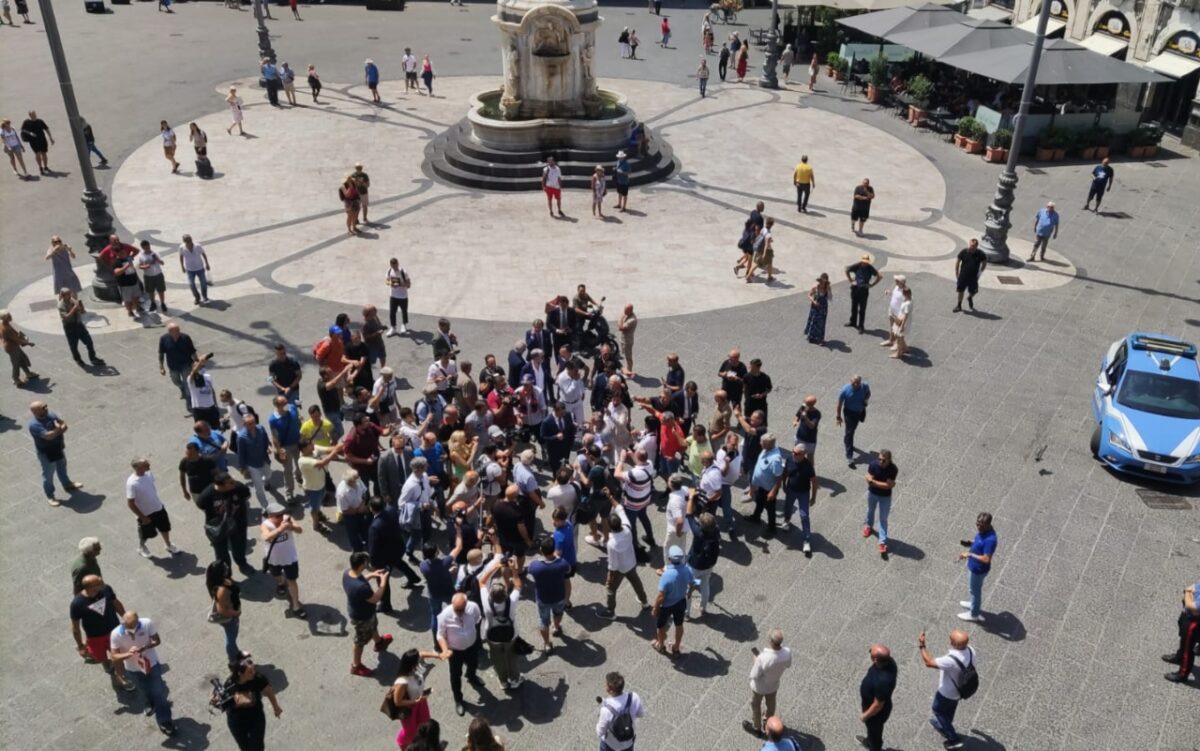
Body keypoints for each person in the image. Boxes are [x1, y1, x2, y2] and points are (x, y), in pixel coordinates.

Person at [110, 611, 176, 736]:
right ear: (123, 624)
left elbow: (157, 641)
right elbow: (114, 656)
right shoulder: (116, 634)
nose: (134, 631)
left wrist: (145, 647)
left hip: (152, 664)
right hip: (133, 668)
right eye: (130, 628)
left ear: (138, 620)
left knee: (159, 694)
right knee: (143, 688)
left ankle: (165, 721)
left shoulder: (146, 623)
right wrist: (128, 654)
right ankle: (148, 702)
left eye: (135, 625)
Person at [70, 575, 131, 691]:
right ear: (90, 587)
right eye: (99, 583)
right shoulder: (77, 604)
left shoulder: (106, 589)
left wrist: (126, 619)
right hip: (95, 638)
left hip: (114, 632)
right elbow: (75, 627)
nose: (102, 584)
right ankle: (108, 666)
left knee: (118, 657)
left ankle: (120, 678)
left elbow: (116, 603)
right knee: (100, 658)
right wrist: (80, 646)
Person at [918, 629, 975, 750]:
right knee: (949, 708)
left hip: (946, 692)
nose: (949, 640)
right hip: (960, 690)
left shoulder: (951, 660)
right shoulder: (970, 650)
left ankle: (953, 738)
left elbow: (929, 662)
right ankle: (944, 724)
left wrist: (922, 646)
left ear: (954, 643)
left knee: (937, 710)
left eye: (951, 639)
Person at [599, 491, 650, 618]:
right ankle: (644, 602)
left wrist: (610, 578)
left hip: (620, 569)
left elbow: (613, 565)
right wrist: (610, 497)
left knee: (611, 589)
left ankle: (610, 611)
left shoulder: (611, 544)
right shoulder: (627, 528)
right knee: (636, 582)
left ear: (610, 527)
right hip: (631, 563)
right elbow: (620, 508)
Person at [344, 551, 394, 677]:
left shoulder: (348, 573)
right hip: (361, 616)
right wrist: (383, 581)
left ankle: (379, 642)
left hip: (365, 612)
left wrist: (372, 574)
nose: (368, 564)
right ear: (361, 565)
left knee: (373, 625)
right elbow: (376, 598)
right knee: (360, 640)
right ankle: (356, 666)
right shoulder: (362, 588)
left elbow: (360, 578)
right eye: (366, 562)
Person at [219, 654, 283, 751]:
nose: (253, 672)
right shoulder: (229, 685)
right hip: (237, 722)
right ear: (240, 673)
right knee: (245, 748)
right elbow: (223, 705)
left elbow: (269, 692)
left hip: (256, 718)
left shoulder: (258, 679)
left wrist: (276, 708)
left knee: (258, 747)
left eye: (253, 669)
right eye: (250, 672)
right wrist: (217, 701)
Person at [195, 472, 255, 576]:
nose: (234, 483)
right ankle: (226, 574)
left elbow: (246, 495)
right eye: (230, 483)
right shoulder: (207, 495)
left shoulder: (238, 488)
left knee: (239, 547)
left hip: (238, 523)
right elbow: (201, 505)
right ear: (221, 485)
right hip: (218, 528)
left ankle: (242, 564)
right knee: (221, 553)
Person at [436, 592, 485, 717]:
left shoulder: (473, 607)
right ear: (452, 605)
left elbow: (478, 620)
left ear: (466, 604)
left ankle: (471, 676)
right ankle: (458, 699)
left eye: (462, 609)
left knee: (474, 663)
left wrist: (473, 637)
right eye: (457, 610)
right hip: (455, 651)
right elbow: (440, 635)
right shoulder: (444, 616)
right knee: (455, 675)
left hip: (471, 646)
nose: (460, 613)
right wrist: (445, 649)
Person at [479, 559, 524, 690]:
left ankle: (503, 682)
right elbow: (518, 584)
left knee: (498, 659)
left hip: (492, 635)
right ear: (505, 594)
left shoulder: (487, 603)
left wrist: (495, 567)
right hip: (511, 634)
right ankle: (515, 680)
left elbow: (481, 581)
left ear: (491, 595)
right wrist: (513, 570)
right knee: (512, 657)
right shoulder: (512, 600)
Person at [28, 401, 81, 506]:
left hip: (57, 447)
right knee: (48, 474)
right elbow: (49, 436)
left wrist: (58, 429)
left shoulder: (51, 415)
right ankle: (50, 495)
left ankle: (67, 484)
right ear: (35, 411)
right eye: (43, 408)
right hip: (46, 452)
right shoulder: (34, 425)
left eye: (46, 406)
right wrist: (58, 429)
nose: (46, 408)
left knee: (62, 466)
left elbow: (64, 424)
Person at [743, 629, 793, 739]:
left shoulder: (763, 658)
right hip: (773, 685)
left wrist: (756, 661)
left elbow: (754, 675)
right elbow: (788, 665)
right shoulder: (787, 653)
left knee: (756, 705)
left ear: (770, 641)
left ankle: (757, 728)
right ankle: (768, 722)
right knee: (771, 704)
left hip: (759, 687)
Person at [127, 458, 180, 559]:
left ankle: (168, 544)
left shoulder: (149, 473)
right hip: (145, 513)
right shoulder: (132, 483)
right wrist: (142, 517)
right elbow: (130, 503)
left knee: (165, 527)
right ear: (137, 468)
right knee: (145, 534)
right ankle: (141, 547)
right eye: (146, 464)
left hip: (158, 507)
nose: (149, 465)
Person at [261, 502, 306, 618]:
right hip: (274, 559)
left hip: (289, 558)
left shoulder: (287, 519)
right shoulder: (265, 524)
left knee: (292, 581)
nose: (281, 517)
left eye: (281, 514)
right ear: (270, 515)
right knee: (276, 575)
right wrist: (281, 529)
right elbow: (266, 537)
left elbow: (300, 530)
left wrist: (291, 527)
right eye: (277, 516)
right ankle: (281, 582)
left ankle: (296, 606)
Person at [391, 648, 441, 748]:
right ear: (411, 665)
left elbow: (422, 654)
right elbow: (397, 701)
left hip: (420, 701)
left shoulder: (414, 669)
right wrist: (414, 701)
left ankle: (424, 744)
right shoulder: (402, 682)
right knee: (410, 732)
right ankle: (403, 744)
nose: (420, 663)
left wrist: (438, 656)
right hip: (409, 708)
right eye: (417, 662)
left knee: (425, 723)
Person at [652, 545, 693, 656]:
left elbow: (661, 596)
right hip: (680, 602)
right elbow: (692, 582)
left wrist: (655, 608)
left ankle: (660, 645)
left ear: (669, 559)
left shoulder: (667, 575)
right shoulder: (686, 570)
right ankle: (676, 648)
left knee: (660, 627)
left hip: (666, 606)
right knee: (679, 625)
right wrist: (689, 593)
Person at [857, 644, 898, 751]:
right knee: (871, 731)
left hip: (876, 714)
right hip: (872, 704)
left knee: (875, 733)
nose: (869, 650)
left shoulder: (883, 681)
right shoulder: (889, 662)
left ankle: (874, 747)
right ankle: (869, 740)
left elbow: (878, 705)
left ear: (875, 660)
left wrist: (865, 715)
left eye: (871, 651)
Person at [959, 512, 997, 622]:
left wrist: (970, 554)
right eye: (977, 524)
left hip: (978, 570)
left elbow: (986, 559)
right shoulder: (984, 531)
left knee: (975, 592)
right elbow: (980, 541)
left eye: (982, 525)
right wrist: (971, 543)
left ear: (988, 524)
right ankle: (972, 604)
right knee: (973, 590)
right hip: (974, 566)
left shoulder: (991, 540)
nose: (979, 527)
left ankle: (974, 614)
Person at [781, 444, 818, 554]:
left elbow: (814, 482)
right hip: (791, 490)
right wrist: (784, 484)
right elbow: (785, 473)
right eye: (793, 451)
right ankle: (787, 520)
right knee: (788, 508)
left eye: (796, 453)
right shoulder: (789, 459)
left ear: (803, 455)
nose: (793, 454)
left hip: (803, 493)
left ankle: (806, 540)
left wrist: (813, 498)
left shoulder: (808, 466)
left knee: (804, 515)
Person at [863, 449, 898, 557]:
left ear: (889, 460)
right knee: (870, 511)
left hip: (885, 497)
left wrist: (873, 482)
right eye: (879, 459)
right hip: (872, 494)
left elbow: (888, 486)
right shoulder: (873, 464)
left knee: (883, 519)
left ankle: (882, 542)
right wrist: (872, 481)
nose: (880, 462)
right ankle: (869, 526)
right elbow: (867, 476)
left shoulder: (893, 469)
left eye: (883, 460)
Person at [596, 671, 644, 751]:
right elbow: (641, 714)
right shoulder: (634, 697)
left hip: (611, 745)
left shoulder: (606, 710)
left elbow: (600, 732)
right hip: (628, 742)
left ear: (610, 690)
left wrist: (599, 719)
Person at [206, 560, 243, 663]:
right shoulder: (222, 591)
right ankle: (233, 659)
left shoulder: (222, 581)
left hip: (232, 613)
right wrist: (236, 613)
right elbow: (223, 611)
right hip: (229, 619)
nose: (228, 568)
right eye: (225, 568)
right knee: (231, 638)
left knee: (231, 636)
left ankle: (235, 652)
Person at [1164, 581, 1199, 684]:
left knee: (1187, 648)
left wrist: (1187, 592)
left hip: (1194, 622)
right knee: (1184, 640)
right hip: (1190, 616)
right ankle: (1180, 656)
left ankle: (1182, 675)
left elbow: (1191, 606)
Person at [57, 288, 101, 366]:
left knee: (89, 342)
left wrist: (80, 308)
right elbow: (67, 316)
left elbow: (79, 310)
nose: (70, 295)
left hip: (79, 324)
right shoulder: (61, 305)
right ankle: (77, 359)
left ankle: (93, 357)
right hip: (70, 327)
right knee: (73, 345)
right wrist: (74, 308)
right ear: (63, 296)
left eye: (70, 293)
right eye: (68, 294)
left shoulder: (72, 300)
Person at [836, 375, 871, 468]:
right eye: (853, 383)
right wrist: (838, 416)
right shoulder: (844, 390)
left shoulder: (864, 386)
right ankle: (849, 457)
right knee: (850, 433)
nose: (855, 384)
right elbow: (839, 404)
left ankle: (847, 440)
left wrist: (866, 400)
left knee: (852, 430)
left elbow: (868, 393)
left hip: (859, 411)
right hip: (849, 413)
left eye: (857, 383)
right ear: (850, 381)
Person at [2, 309, 36, 386]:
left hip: (13, 346)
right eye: (8, 316)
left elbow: (14, 335)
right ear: (5, 318)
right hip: (12, 348)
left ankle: (28, 373)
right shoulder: (6, 328)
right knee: (16, 363)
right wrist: (28, 343)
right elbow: (16, 340)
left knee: (22, 358)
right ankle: (16, 378)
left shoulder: (5, 323)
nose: (10, 317)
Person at [954, 239, 987, 313]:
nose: (971, 247)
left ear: (976, 246)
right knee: (960, 291)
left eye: (973, 246)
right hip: (963, 276)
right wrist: (957, 273)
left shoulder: (980, 254)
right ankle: (959, 305)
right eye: (970, 245)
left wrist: (980, 272)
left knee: (974, 291)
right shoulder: (964, 252)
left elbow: (985, 262)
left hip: (973, 277)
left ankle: (969, 297)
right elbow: (958, 262)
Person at [177, 234, 211, 306]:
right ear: (184, 241)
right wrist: (182, 267)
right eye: (187, 241)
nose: (189, 242)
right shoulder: (182, 247)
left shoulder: (197, 246)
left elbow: (203, 254)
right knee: (191, 284)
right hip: (189, 269)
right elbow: (181, 257)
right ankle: (197, 297)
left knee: (203, 283)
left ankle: (205, 297)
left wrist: (207, 263)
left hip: (200, 268)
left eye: (190, 240)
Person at [136, 240, 168, 313]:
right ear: (142, 248)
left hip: (158, 274)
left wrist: (157, 260)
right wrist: (145, 266)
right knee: (150, 291)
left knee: (161, 290)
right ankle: (153, 303)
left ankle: (162, 303)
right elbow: (139, 266)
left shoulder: (155, 253)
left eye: (148, 246)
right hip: (148, 276)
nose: (147, 248)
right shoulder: (141, 256)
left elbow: (162, 263)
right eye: (145, 247)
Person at [20, 110, 53, 175]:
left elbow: (46, 129)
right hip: (33, 141)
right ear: (30, 115)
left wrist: (50, 138)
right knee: (37, 154)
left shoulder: (40, 121)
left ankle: (45, 167)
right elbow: (23, 130)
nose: (35, 115)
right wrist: (30, 133)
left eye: (35, 114)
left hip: (42, 140)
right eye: (33, 114)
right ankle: (40, 168)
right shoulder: (26, 122)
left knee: (44, 153)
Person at [802, 273, 831, 345]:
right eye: (821, 281)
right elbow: (809, 295)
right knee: (813, 321)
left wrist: (828, 290)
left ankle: (820, 339)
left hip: (823, 308)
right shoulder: (815, 287)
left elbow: (830, 298)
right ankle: (811, 336)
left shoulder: (827, 288)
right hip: (815, 307)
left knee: (821, 323)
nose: (822, 283)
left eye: (824, 282)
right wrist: (813, 301)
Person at [881, 275, 907, 350]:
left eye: (897, 281)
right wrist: (890, 292)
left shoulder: (905, 291)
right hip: (892, 311)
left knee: (897, 330)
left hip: (898, 315)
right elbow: (895, 295)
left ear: (901, 282)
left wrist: (901, 316)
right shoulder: (897, 287)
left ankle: (898, 344)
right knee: (892, 328)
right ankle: (891, 340)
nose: (895, 282)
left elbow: (906, 303)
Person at [890, 288, 913, 360]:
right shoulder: (910, 299)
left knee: (899, 337)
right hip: (901, 320)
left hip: (901, 321)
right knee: (900, 336)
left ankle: (899, 353)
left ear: (905, 294)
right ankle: (905, 348)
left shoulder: (907, 304)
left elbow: (906, 315)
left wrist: (902, 326)